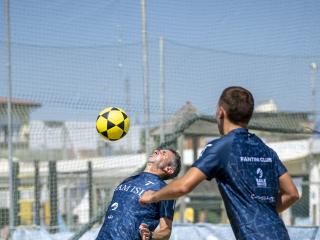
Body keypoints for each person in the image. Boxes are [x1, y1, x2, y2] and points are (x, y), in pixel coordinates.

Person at [140, 86, 300, 240]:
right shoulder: (265, 149)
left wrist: (153, 196)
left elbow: (183, 186)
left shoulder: (221, 147)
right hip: (280, 234)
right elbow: (292, 193)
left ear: (220, 112)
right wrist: (263, 214)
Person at [96, 147, 181, 240]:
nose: (156, 151)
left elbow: (166, 231)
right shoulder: (129, 180)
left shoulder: (164, 191)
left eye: (163, 153)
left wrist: (151, 235)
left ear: (169, 169)